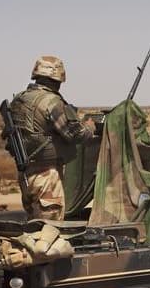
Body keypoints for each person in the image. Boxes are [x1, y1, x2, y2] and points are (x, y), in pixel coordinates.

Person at [8, 55, 95, 220]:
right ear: (57, 79)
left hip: (26, 173)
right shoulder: (51, 102)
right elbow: (76, 134)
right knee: (50, 230)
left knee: (35, 225)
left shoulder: (20, 99)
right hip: (47, 174)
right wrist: (90, 126)